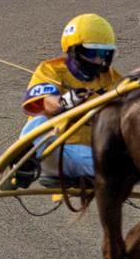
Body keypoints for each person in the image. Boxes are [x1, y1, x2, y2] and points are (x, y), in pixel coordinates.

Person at [16, 13, 122, 187]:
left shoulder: (114, 80)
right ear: (75, 50)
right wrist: (67, 101)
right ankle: (23, 164)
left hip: (91, 155)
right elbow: (46, 103)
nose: (99, 59)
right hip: (54, 152)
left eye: (104, 53)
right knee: (39, 122)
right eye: (92, 52)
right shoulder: (50, 70)